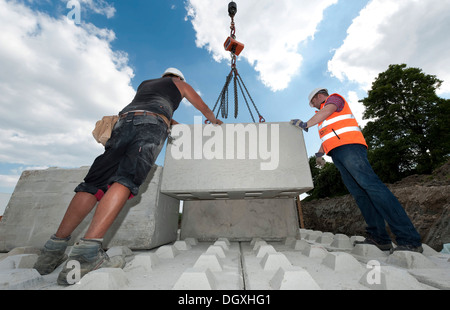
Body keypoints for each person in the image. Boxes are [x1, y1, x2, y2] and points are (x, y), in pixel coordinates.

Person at [34, 68, 223, 285]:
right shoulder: (179, 84)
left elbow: (157, 114)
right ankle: (86, 254)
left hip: (123, 122)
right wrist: (214, 121)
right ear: (178, 78)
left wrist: (179, 128)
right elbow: (201, 106)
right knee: (125, 179)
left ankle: (52, 250)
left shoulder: (146, 85)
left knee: (93, 184)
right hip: (150, 126)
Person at [291, 88, 423, 253]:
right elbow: (329, 135)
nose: (313, 107)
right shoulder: (323, 116)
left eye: (313, 103)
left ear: (318, 97)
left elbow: (327, 111)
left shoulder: (334, 100)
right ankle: (379, 238)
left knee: (373, 188)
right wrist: (319, 153)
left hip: (350, 148)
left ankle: (409, 239)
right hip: (338, 153)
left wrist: (305, 124)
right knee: (361, 194)